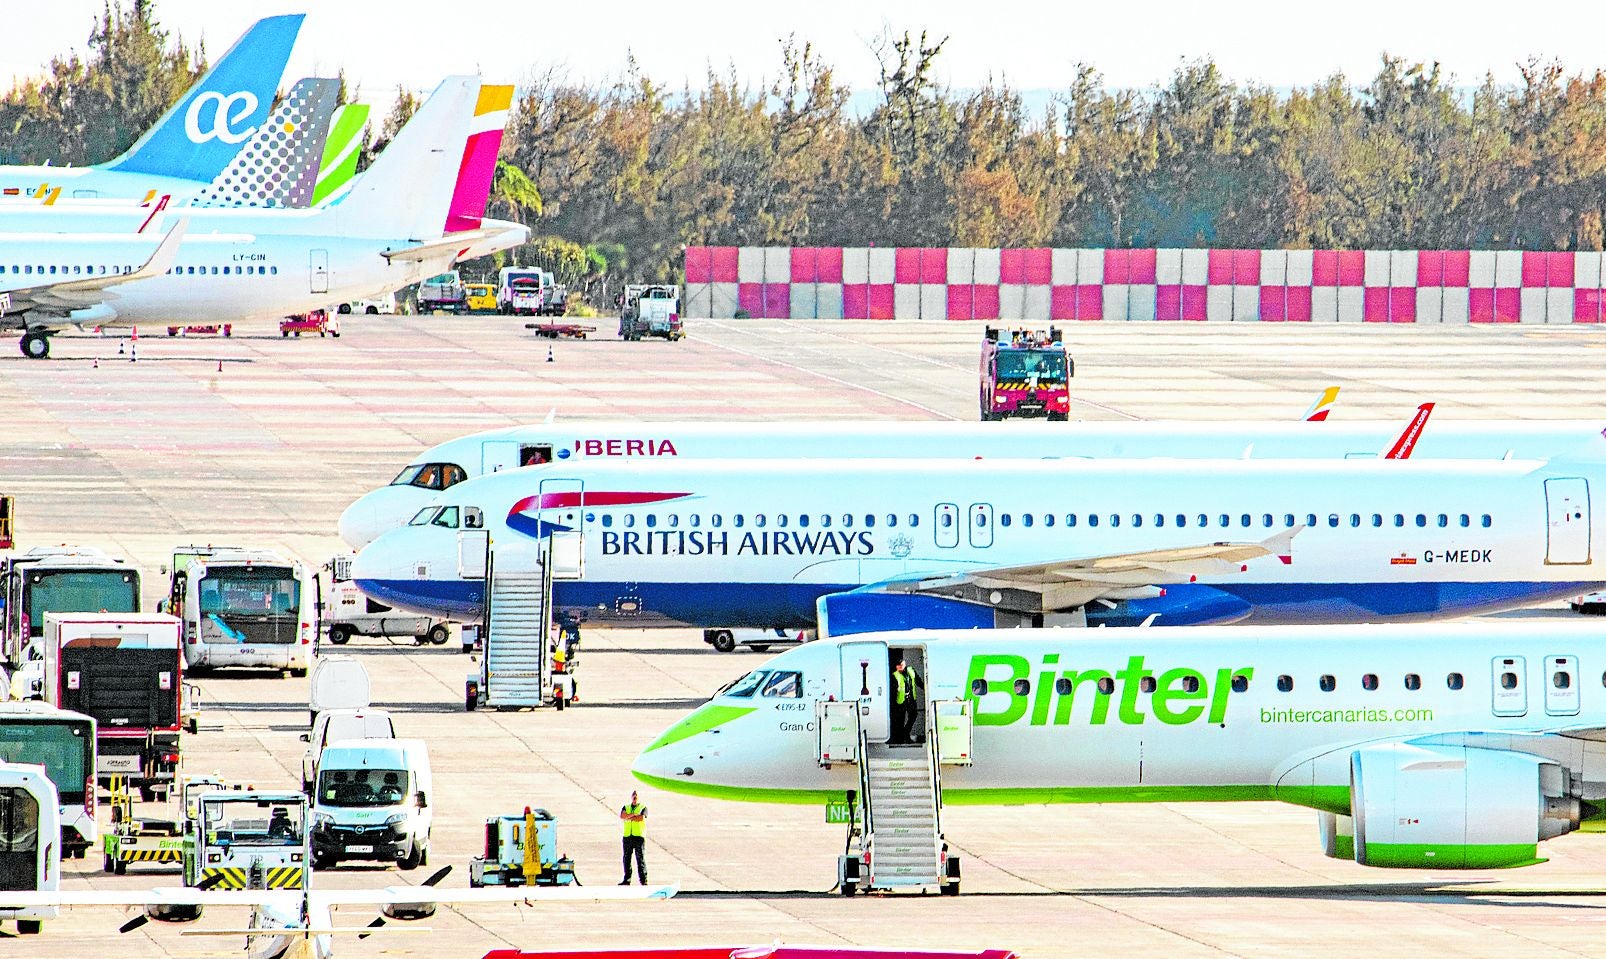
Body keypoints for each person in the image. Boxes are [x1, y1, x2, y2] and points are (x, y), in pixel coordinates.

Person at [619, 791, 647, 885]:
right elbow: (622, 816)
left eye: (636, 797)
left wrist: (628, 816)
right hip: (627, 836)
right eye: (633, 797)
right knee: (626, 859)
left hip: (638, 837)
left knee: (640, 859)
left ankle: (643, 880)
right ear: (631, 797)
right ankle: (627, 879)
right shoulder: (626, 807)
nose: (635, 798)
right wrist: (633, 815)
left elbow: (641, 818)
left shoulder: (643, 807)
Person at [892, 658, 921, 745]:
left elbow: (918, 681)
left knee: (913, 715)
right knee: (900, 720)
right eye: (898, 666)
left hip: (911, 699)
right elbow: (893, 691)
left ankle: (905, 734)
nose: (900, 667)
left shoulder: (911, 670)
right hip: (901, 701)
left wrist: (926, 688)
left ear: (905, 664)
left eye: (902, 665)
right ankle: (902, 738)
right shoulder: (895, 675)